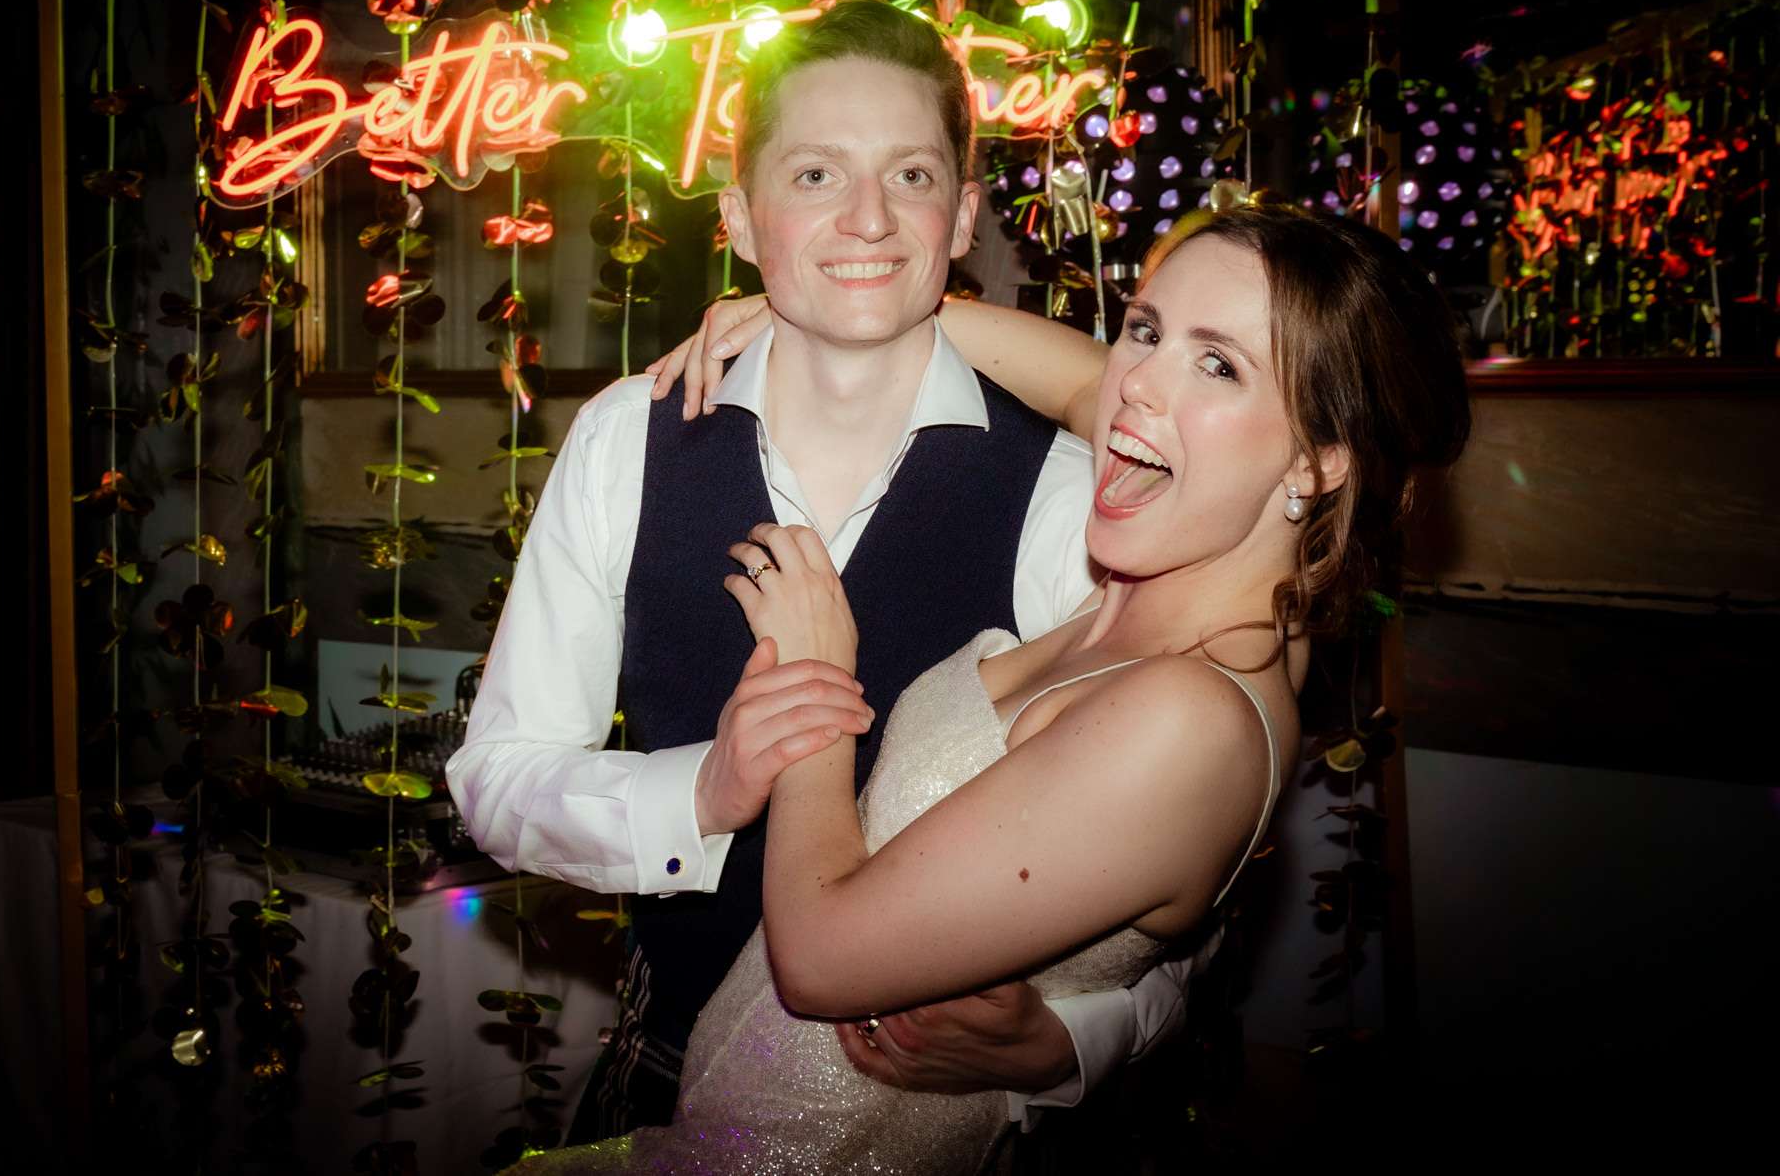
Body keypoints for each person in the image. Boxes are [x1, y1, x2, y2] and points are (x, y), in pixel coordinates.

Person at [509, 196, 1471, 1174]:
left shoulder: (1192, 705)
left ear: (1315, 459)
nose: (1135, 385)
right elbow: (1093, 388)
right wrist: (850, 308)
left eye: (1217, 361)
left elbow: (820, 958)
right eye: (1141, 329)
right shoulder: (1183, 578)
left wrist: (810, 677)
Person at [445, 0, 1196, 1150]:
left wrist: (1069, 1040)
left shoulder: (1063, 490)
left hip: (954, 1129)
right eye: (812, 176)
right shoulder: (624, 440)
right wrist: (700, 794)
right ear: (741, 218)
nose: (865, 219)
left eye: (908, 175)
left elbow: (1180, 854)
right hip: (671, 1077)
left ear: (961, 219)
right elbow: (495, 778)